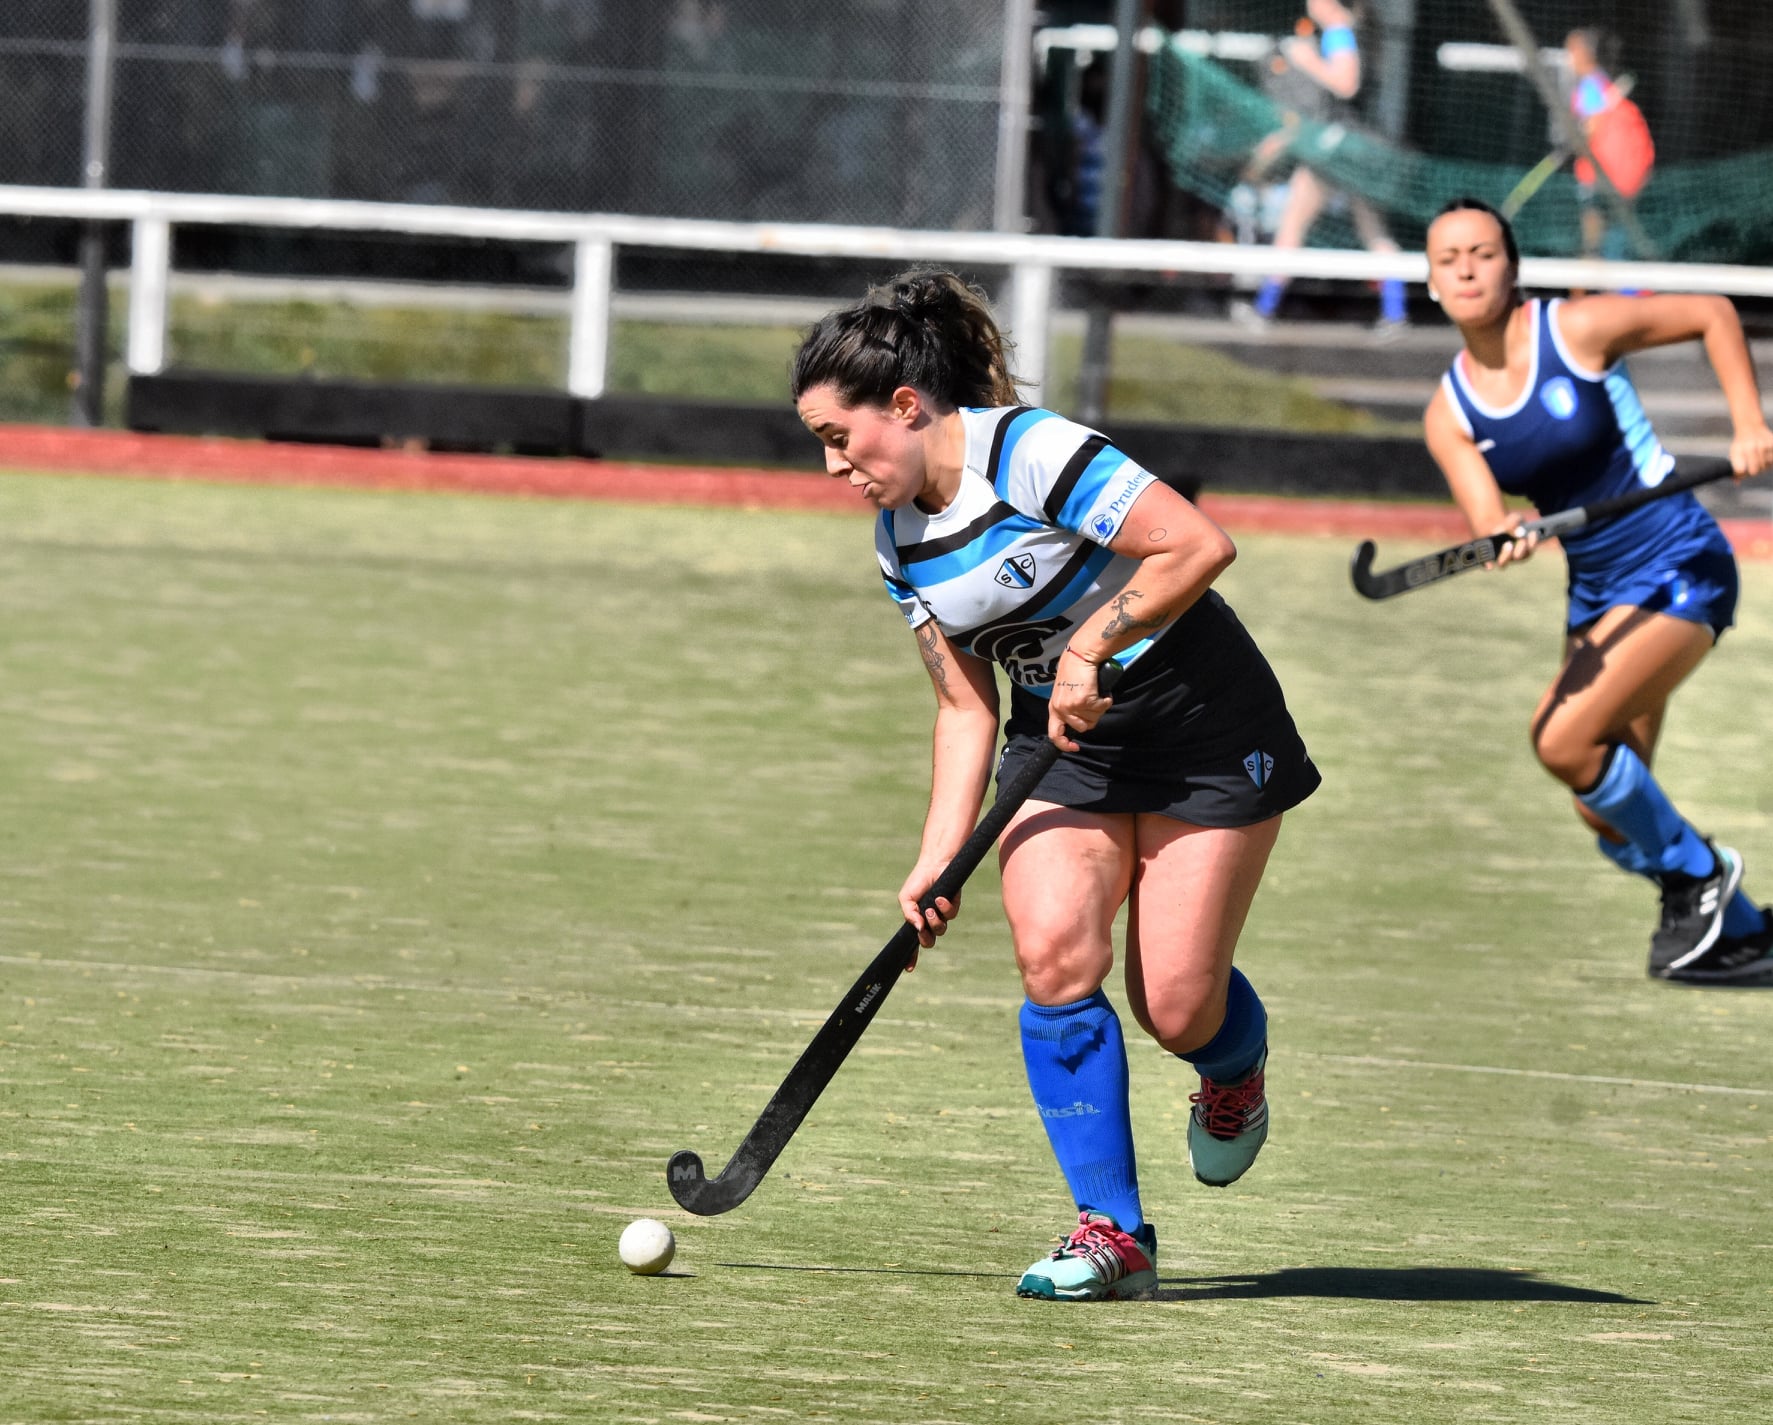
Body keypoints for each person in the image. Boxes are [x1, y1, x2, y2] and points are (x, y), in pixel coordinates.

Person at [791, 270, 1321, 1300]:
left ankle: (1232, 1069)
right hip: (1065, 754)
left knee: (1176, 1005)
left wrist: (1087, 648)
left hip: (1205, 727)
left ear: (904, 405)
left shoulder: (1029, 452)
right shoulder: (900, 542)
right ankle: (1112, 1233)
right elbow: (964, 710)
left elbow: (1195, 543)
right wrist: (937, 859)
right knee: (1054, 955)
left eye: (840, 438)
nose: (833, 465)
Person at [1421, 197, 1773, 982]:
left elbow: (1712, 313)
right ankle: (1748, 935)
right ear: (1433, 285)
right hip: (1596, 592)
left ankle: (1701, 874)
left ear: (1511, 267)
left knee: (1560, 739)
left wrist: (1748, 422)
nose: (1467, 270)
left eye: (1483, 253)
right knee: (1601, 801)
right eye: (1449, 260)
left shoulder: (1573, 330)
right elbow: (1487, 518)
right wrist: (1501, 536)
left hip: (1677, 560)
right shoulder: (1446, 414)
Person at [1231, 0, 1407, 337]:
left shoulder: (1338, 32)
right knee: (1373, 231)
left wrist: (1307, 61)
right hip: (1357, 146)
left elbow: (1346, 84)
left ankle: (1264, 309)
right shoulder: (1356, 31)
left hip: (1337, 148)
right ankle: (1395, 314)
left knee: (1292, 228)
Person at [1564, 27, 1655, 264]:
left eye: (1570, 51)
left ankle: (1593, 272)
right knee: (1614, 240)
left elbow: (1591, 129)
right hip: (1618, 179)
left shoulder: (1591, 85)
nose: (1567, 58)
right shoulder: (1600, 84)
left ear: (1583, 52)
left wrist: (1574, 141)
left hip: (1602, 177)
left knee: (1595, 241)